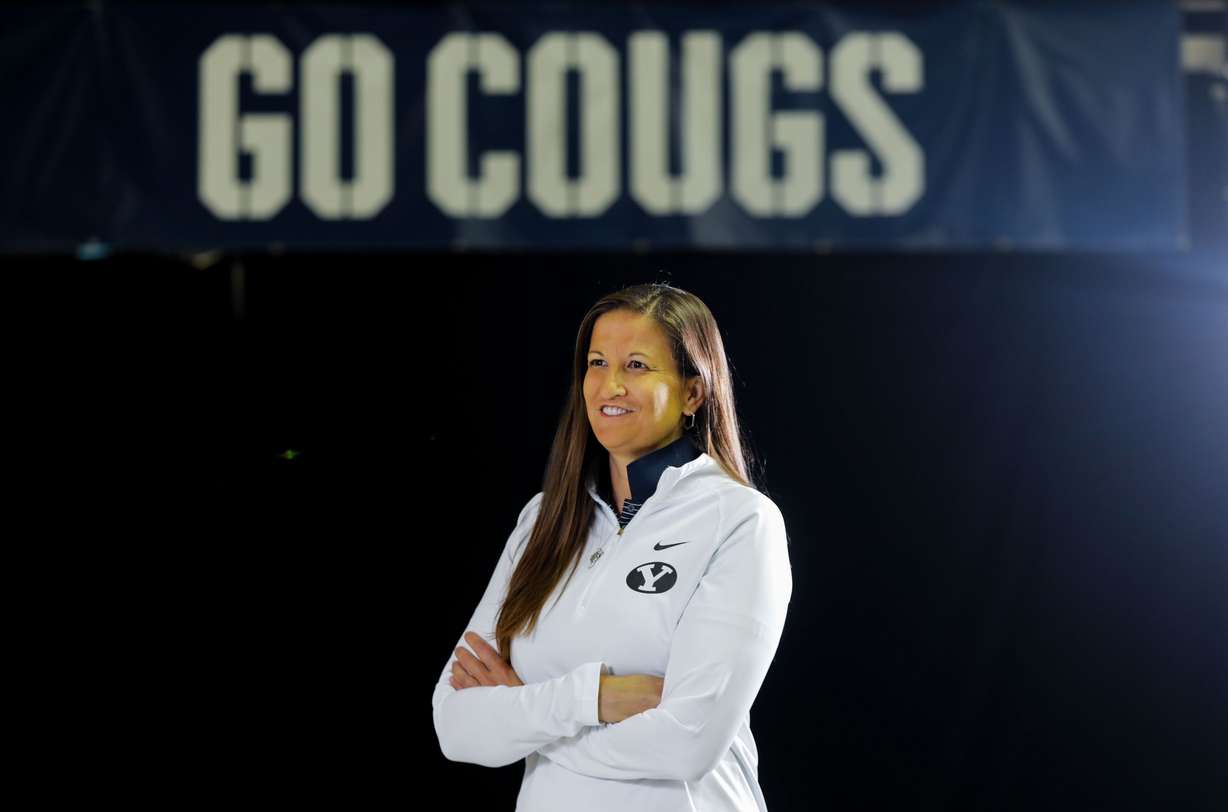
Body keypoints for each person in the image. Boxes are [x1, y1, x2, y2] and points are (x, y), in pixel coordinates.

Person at [431, 282, 793, 811]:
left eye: (638, 366)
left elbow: (688, 743)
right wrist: (596, 698)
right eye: (597, 363)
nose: (610, 385)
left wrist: (523, 717)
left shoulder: (740, 521)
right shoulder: (542, 522)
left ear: (694, 392)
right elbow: (456, 726)